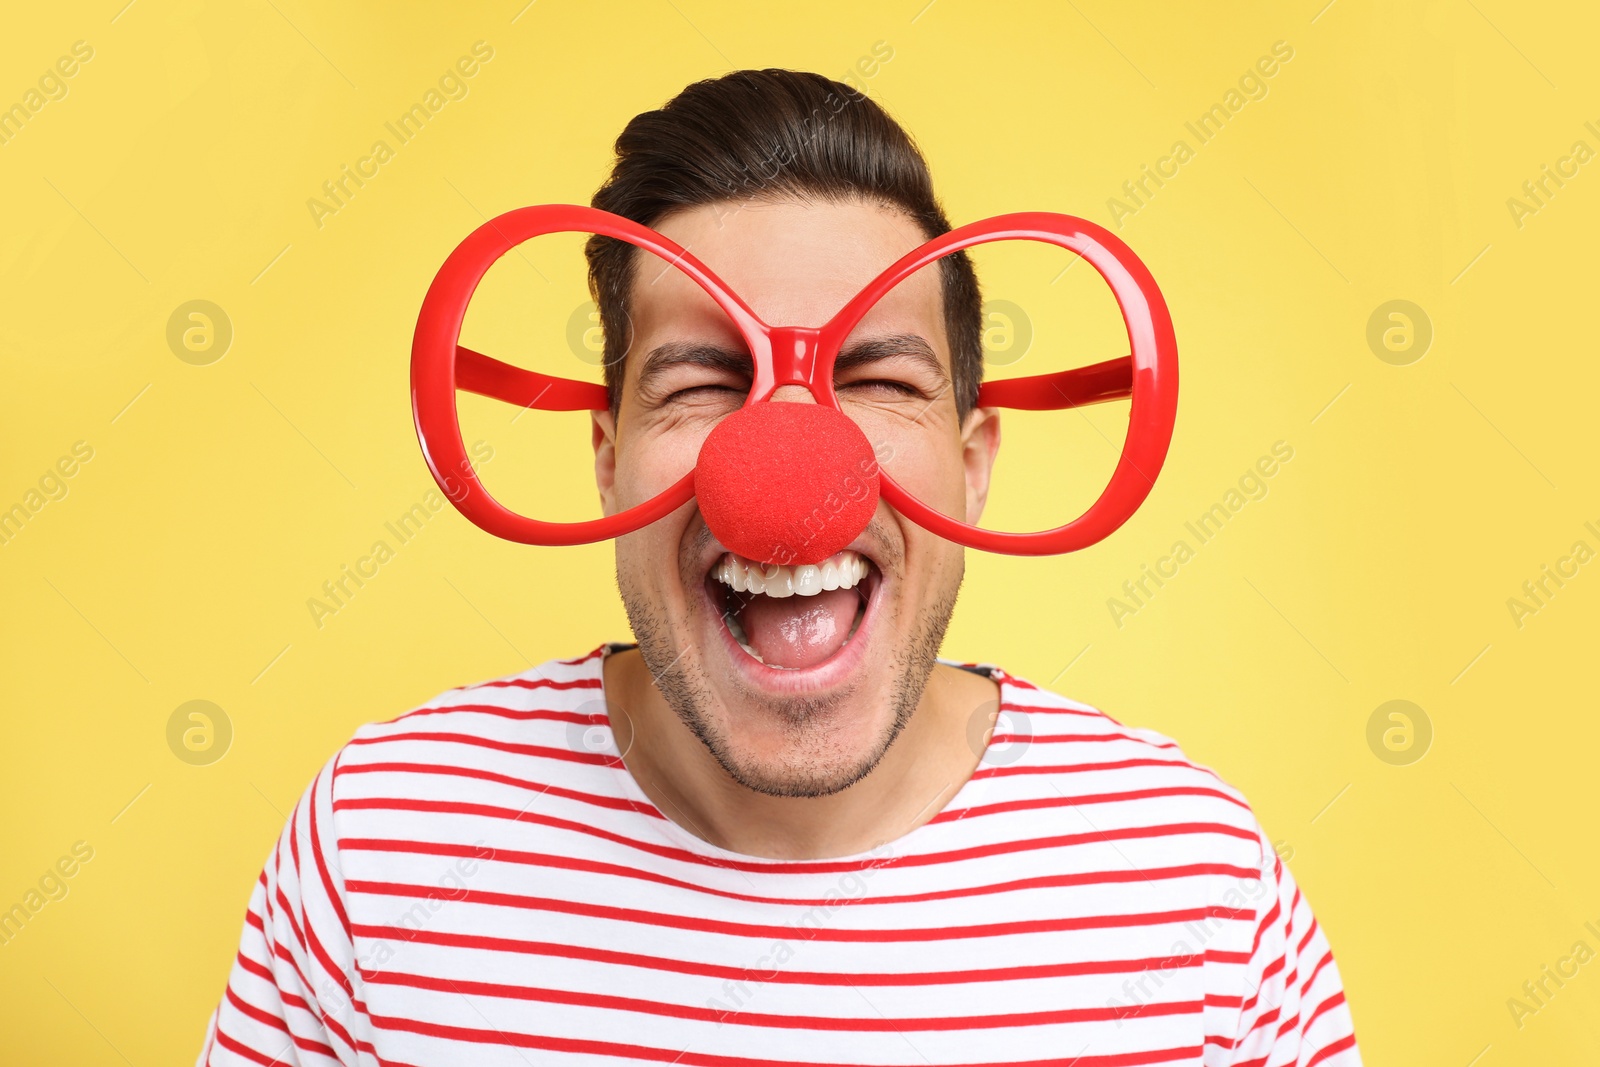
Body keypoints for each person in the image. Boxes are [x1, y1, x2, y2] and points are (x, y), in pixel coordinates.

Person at [197, 68, 1360, 1066]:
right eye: (702, 382)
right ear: (606, 463)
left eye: (879, 379)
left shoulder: (1190, 885)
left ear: (974, 463)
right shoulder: (387, 838)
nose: (791, 475)